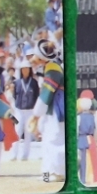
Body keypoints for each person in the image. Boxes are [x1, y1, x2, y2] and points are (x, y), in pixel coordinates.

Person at [29, 41, 65, 183]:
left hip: (56, 108)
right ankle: (49, 174)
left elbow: (46, 94)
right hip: (54, 108)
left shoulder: (52, 69)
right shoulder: (51, 67)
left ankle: (57, 173)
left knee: (53, 140)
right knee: (49, 141)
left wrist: (36, 115)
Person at [12, 59, 39, 161]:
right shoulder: (17, 82)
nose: (25, 71)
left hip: (30, 110)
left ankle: (25, 156)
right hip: (19, 110)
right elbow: (14, 95)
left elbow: (37, 96)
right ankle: (14, 154)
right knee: (17, 131)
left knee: (28, 133)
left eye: (27, 69)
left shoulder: (34, 83)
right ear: (21, 70)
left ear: (30, 70)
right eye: (23, 69)